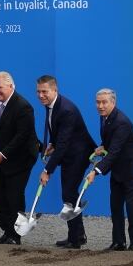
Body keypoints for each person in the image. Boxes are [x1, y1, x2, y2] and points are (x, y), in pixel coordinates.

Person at [86, 89, 133, 251]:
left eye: (104, 102)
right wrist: (103, 147)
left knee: (131, 203)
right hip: (118, 165)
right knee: (115, 204)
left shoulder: (121, 122)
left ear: (113, 103)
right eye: (98, 102)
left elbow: (115, 151)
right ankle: (118, 242)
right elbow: (112, 143)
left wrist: (95, 171)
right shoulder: (105, 118)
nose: (100, 106)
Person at [36, 75, 96, 249]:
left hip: (78, 155)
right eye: (38, 91)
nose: (41, 95)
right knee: (69, 194)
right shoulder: (51, 105)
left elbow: (64, 145)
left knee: (69, 194)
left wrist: (47, 170)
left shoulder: (66, 110)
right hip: (68, 153)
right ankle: (77, 235)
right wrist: (51, 144)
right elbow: (60, 136)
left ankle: (76, 238)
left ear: (55, 90)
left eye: (44, 91)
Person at [0, 71, 38, 245]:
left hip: (21, 158)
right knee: (0, 197)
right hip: (0, 157)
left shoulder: (23, 107)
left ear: (11, 86)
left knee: (14, 196)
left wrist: (2, 155)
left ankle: (15, 235)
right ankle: (7, 231)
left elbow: (21, 136)